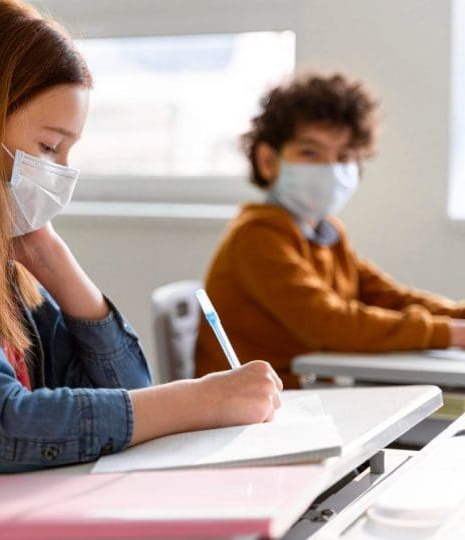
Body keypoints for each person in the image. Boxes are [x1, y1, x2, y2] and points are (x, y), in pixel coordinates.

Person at [0, 0, 283, 498]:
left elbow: (122, 395)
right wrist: (201, 400)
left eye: (69, 152)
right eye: (48, 147)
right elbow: (0, 425)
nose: (61, 173)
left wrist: (54, 263)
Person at [194, 73, 465, 389]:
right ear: (268, 161)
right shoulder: (256, 237)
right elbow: (331, 324)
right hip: (257, 410)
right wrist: (451, 333)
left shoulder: (327, 233)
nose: (330, 169)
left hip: (308, 396)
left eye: (344, 157)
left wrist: (458, 315)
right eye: (310, 153)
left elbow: (388, 297)